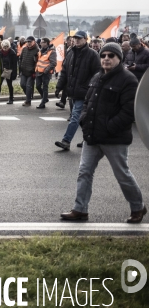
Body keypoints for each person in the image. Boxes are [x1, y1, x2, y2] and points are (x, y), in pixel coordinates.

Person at [61, 43, 146, 223]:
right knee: (84, 172)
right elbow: (87, 103)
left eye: (111, 55)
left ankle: (138, 207)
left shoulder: (128, 80)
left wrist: (109, 127)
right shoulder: (97, 77)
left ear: (119, 58)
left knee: (122, 174)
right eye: (103, 55)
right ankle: (80, 209)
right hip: (92, 137)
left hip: (114, 139)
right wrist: (84, 120)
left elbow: (128, 111)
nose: (106, 58)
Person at [55, 30, 101, 150]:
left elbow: (97, 74)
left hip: (84, 92)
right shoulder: (70, 53)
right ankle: (88, 138)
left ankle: (66, 141)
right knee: (82, 118)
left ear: (86, 40)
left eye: (79, 38)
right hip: (72, 92)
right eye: (75, 38)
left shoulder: (92, 54)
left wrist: (90, 88)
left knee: (75, 116)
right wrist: (59, 86)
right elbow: (64, 72)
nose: (76, 40)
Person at [34, 38, 57, 109]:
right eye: (40, 42)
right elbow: (39, 60)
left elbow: (53, 63)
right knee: (38, 86)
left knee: (45, 87)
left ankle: (43, 102)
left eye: (42, 42)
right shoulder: (40, 50)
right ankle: (45, 98)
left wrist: (46, 70)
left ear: (46, 43)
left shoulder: (52, 51)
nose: (40, 43)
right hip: (39, 71)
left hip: (46, 73)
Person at [0, 39, 17, 104]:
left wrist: (14, 73)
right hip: (1, 70)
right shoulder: (0, 53)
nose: (5, 49)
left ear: (9, 46)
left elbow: (14, 64)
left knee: (9, 85)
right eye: (4, 47)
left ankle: (11, 98)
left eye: (6, 47)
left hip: (9, 70)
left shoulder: (12, 53)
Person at [19, 36, 39, 106]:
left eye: (30, 42)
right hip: (24, 71)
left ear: (34, 42)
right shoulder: (24, 49)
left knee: (28, 86)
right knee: (22, 84)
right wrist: (20, 68)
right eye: (28, 42)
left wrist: (34, 70)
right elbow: (21, 59)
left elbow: (37, 62)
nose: (29, 43)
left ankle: (28, 101)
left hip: (31, 72)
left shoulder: (37, 50)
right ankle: (29, 95)